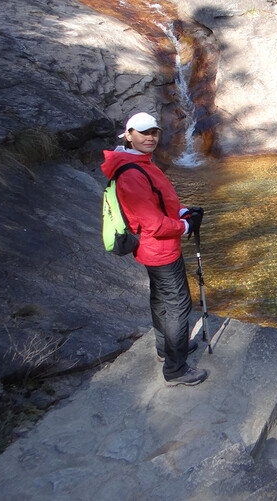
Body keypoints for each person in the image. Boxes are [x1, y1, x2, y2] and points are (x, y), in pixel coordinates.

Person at [101, 112, 208, 386]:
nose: (150, 137)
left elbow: (158, 201)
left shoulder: (138, 162)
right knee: (178, 304)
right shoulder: (132, 173)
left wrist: (183, 211)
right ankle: (176, 369)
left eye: (154, 133)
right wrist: (185, 227)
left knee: (161, 298)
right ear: (128, 134)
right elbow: (153, 223)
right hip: (160, 249)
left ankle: (165, 349)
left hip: (153, 249)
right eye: (143, 132)